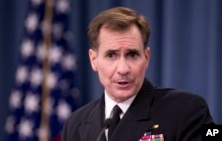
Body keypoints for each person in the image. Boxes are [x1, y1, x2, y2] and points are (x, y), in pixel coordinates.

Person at [62, 7, 213, 141]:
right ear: (94, 60)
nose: (123, 69)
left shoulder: (187, 110)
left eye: (132, 55)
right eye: (111, 55)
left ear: (146, 58)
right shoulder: (75, 124)